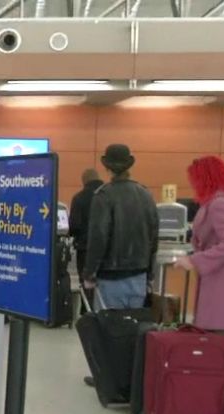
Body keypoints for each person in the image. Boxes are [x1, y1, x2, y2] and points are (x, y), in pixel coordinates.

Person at [81, 144, 158, 386]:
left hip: (110, 277)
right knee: (133, 330)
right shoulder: (145, 194)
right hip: (138, 274)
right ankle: (132, 378)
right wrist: (150, 274)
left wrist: (90, 272)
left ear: (106, 167)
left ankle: (108, 377)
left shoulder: (104, 196)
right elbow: (154, 236)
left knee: (108, 330)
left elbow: (99, 237)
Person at [173, 156, 224, 339]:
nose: (192, 184)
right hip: (219, 279)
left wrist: (194, 260)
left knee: (216, 336)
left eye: (194, 179)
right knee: (215, 336)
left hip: (220, 282)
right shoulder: (221, 201)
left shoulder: (220, 204)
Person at [68, 168, 104, 312]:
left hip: (84, 247)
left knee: (86, 280)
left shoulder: (79, 198)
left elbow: (74, 226)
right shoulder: (108, 195)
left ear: (84, 181)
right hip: (106, 248)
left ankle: (86, 309)